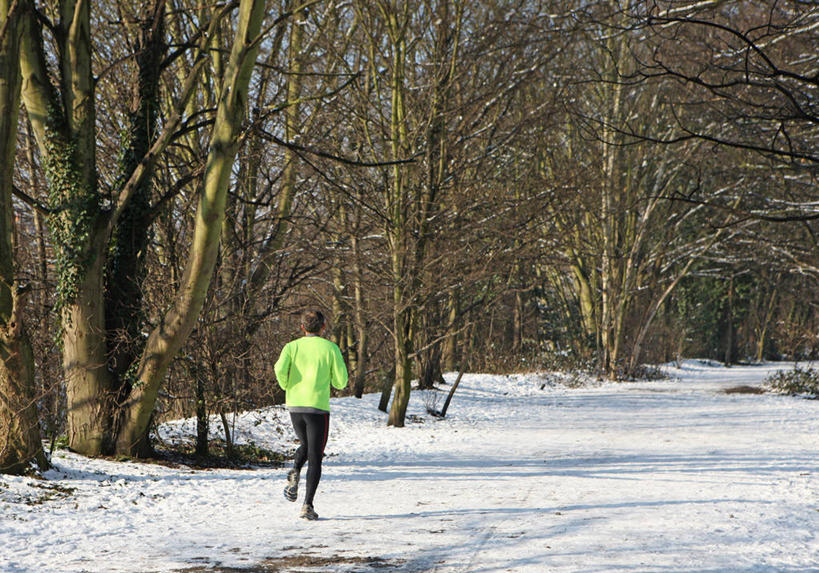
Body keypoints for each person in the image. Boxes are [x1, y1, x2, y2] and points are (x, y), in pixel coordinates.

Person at [274, 309, 348, 520]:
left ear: (302, 328)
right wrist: (333, 381)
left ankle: (295, 469)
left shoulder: (291, 347)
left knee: (306, 445)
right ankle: (307, 505)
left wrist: (287, 385)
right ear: (323, 327)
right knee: (315, 455)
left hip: (295, 405)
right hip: (317, 407)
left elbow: (279, 369)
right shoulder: (331, 348)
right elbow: (341, 381)